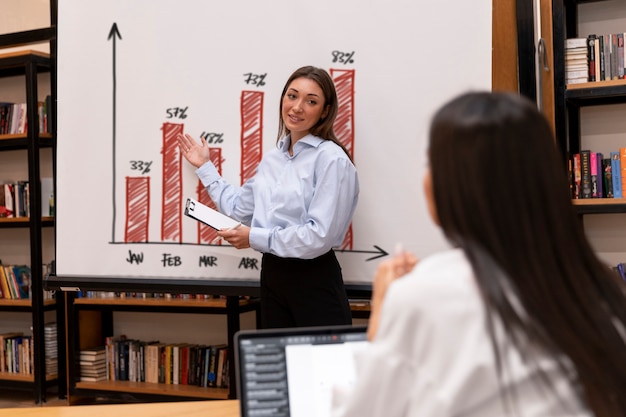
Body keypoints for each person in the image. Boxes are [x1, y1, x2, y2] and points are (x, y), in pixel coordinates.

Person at [331, 91, 626, 417]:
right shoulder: (600, 286)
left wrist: (381, 325)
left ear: (451, 185)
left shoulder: (425, 294)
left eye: (431, 163)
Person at [178, 66, 359, 329]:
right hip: (272, 276)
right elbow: (240, 208)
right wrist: (205, 167)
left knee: (320, 369)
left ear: (325, 110)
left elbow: (319, 236)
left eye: (311, 101)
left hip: (314, 280)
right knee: (278, 367)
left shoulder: (332, 160)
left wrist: (253, 237)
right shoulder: (275, 157)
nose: (297, 107)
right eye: (292, 96)